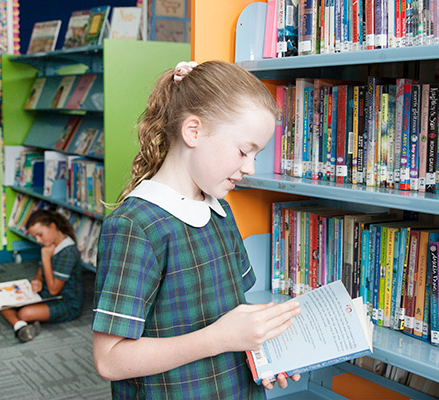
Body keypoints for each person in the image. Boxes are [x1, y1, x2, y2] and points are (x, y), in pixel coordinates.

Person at [92, 60, 302, 399]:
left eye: (256, 155)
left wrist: (264, 353)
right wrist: (218, 339)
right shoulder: (135, 227)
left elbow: (232, 318)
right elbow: (110, 360)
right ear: (193, 131)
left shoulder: (219, 209)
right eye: (243, 151)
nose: (249, 167)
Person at [0, 209, 84, 342]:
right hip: (47, 295)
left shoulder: (68, 252)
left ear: (53, 227)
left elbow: (54, 289)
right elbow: (41, 271)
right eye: (35, 237)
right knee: (2, 301)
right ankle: (20, 326)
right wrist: (38, 280)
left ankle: (23, 321)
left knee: (24, 313)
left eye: (40, 235)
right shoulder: (49, 244)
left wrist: (46, 258)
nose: (38, 240)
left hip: (66, 302)